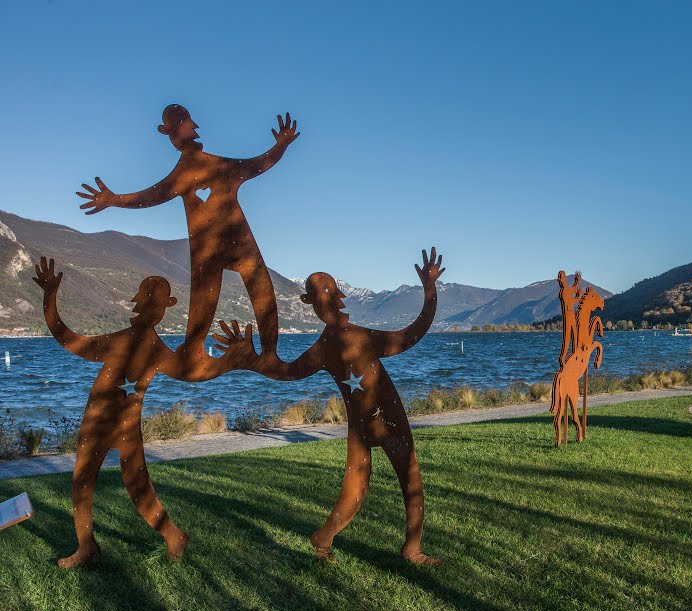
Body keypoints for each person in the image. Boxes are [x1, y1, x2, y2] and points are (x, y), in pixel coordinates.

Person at [33, 257, 249, 567]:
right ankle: (103, 543)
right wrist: (231, 360)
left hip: (107, 417)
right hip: (116, 416)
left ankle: (122, 541)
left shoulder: (135, 344)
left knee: (102, 482)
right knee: (117, 483)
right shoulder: (142, 345)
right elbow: (69, 339)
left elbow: (69, 339)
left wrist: (232, 360)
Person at [234, 248, 445, 565]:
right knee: (360, 487)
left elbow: (412, 334)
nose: (324, 298)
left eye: (327, 290)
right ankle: (327, 539)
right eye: (316, 294)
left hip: (385, 419)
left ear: (336, 294)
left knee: (407, 480)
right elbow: (286, 371)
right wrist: (249, 358)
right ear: (310, 303)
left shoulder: (352, 338)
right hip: (369, 424)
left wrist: (430, 291)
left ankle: (409, 548)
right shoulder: (326, 347)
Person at [76, 104, 299, 378]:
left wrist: (281, 147)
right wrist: (114, 200)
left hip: (229, 245)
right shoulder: (190, 173)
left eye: (182, 126)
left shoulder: (210, 168)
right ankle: (211, 352)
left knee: (253, 292)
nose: (189, 129)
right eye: (182, 125)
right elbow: (152, 195)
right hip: (221, 247)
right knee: (222, 296)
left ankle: (261, 354)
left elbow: (256, 165)